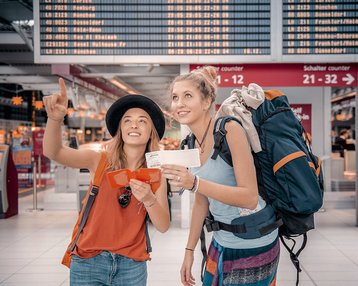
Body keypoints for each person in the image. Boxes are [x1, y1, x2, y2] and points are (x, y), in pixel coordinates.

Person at [43, 78, 170, 286]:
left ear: (151, 132)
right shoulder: (99, 160)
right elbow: (54, 152)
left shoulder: (156, 174)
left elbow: (163, 225)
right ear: (120, 129)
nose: (134, 124)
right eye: (127, 120)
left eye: (142, 120)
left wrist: (149, 199)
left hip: (132, 265)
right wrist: (55, 119)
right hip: (88, 261)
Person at [162, 66, 279, 286]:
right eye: (175, 97)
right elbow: (201, 200)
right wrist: (189, 250)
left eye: (188, 96)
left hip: (254, 240)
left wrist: (194, 182)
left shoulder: (229, 130)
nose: (179, 103)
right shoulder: (189, 143)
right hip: (221, 239)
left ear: (206, 102)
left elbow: (249, 197)